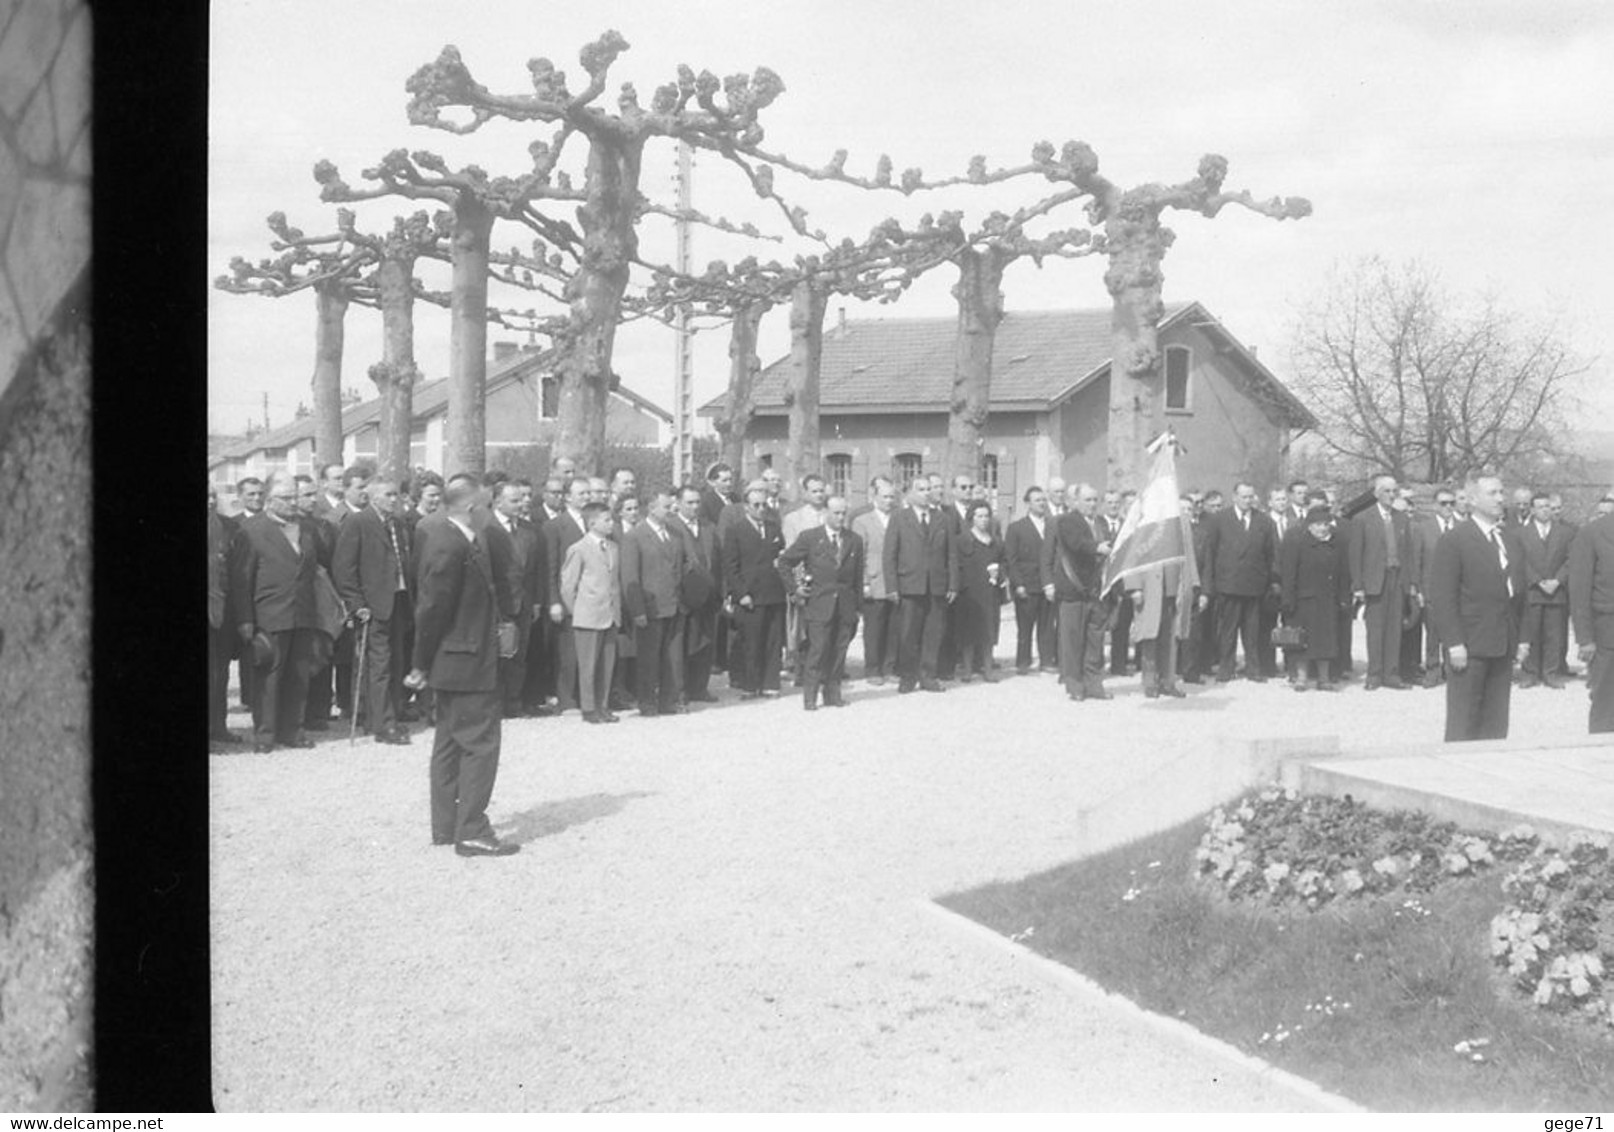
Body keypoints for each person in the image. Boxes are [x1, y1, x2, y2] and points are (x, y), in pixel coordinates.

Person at [405, 476, 517, 857]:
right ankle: (470, 829)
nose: (491, 513)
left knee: (451, 744)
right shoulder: (449, 546)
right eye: (487, 506)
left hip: (458, 660)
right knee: (480, 745)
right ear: (472, 509)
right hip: (465, 662)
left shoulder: (462, 541)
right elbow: (431, 610)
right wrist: (419, 664)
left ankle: (448, 826)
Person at [1426, 474, 1529, 742]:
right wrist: (1454, 643)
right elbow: (1443, 596)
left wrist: (1523, 638)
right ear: (1472, 499)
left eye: (1501, 492)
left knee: (1496, 720)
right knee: (1465, 718)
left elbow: (1520, 594)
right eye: (1493, 493)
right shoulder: (1455, 539)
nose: (1500, 498)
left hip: (1503, 642)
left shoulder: (1510, 538)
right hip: (1470, 645)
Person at [228, 472, 325, 753]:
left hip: (303, 613)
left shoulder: (305, 528)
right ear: (270, 500)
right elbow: (241, 579)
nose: (294, 502)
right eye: (287, 498)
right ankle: (265, 735)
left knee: (298, 674)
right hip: (269, 614)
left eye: (295, 496)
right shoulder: (251, 530)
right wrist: (246, 619)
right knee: (269, 677)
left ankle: (293, 731)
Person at [333, 476, 415, 746]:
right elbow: (344, 569)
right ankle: (383, 724)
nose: (395, 499)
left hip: (399, 601)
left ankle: (386, 714)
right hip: (373, 606)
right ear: (373, 497)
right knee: (378, 665)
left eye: (397, 494)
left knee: (395, 662)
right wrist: (357, 604)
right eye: (389, 494)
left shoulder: (398, 523)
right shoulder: (358, 522)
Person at [776, 495, 864, 709]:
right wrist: (795, 589)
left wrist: (858, 608)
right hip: (819, 604)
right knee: (817, 651)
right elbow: (785, 562)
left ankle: (833, 694)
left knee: (839, 650)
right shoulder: (811, 537)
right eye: (836, 513)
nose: (841, 517)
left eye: (844, 513)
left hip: (845, 605)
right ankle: (810, 696)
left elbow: (857, 577)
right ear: (825, 513)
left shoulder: (854, 540)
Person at [884, 475, 957, 693]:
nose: (926, 493)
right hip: (909, 585)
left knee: (933, 633)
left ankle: (928, 675)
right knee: (908, 633)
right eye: (921, 489)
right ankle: (908, 676)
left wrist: (952, 584)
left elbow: (951, 555)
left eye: (928, 489)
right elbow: (890, 554)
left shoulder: (942, 519)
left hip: (936, 586)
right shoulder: (899, 518)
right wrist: (892, 587)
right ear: (911, 493)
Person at [1201, 482, 1278, 683]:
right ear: (1234, 497)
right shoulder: (1220, 520)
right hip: (1228, 585)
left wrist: (1272, 581)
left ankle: (1253, 669)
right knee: (1228, 630)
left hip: (1255, 586)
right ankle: (1226, 668)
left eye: (1251, 497)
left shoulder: (1265, 521)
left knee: (1252, 631)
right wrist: (1211, 584)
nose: (1248, 500)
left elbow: (1271, 554)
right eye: (1244, 497)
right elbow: (1211, 552)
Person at [622, 487, 688, 716]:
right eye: (666, 506)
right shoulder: (635, 537)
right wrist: (637, 610)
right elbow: (630, 576)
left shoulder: (675, 534)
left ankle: (669, 701)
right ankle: (647, 702)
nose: (671, 510)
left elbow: (680, 568)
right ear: (651, 508)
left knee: (673, 657)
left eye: (672, 506)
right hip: (650, 608)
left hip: (674, 605)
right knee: (649, 658)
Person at [1043, 483, 1111, 701]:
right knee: (1072, 641)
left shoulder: (1101, 522)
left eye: (1095, 500)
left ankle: (1094, 685)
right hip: (1073, 590)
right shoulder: (1067, 521)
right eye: (1088, 500)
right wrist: (1097, 547)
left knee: (1095, 641)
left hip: (1095, 591)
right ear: (1077, 502)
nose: (1092, 504)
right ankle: (1075, 686)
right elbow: (1076, 543)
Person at [1124, 498, 1196, 699]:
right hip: (1150, 589)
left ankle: (1168, 680)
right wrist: (1134, 587)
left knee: (1171, 638)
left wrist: (1193, 584)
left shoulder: (1181, 522)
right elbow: (1132, 556)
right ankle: (1149, 681)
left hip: (1176, 589)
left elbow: (1189, 554)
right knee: (1150, 637)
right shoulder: (1144, 522)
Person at [1348, 475, 1414, 690]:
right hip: (1375, 579)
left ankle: (1391, 674)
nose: (1391, 495)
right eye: (1386, 491)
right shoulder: (1362, 519)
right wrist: (1358, 585)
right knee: (1375, 629)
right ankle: (1374, 674)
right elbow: (1356, 555)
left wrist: (1410, 582)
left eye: (1394, 491)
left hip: (1397, 578)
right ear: (1376, 493)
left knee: (1395, 628)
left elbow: (1408, 553)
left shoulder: (1402, 518)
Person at [722, 483, 787, 698]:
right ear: (746, 507)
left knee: (773, 640)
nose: (761, 509)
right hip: (750, 596)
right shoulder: (736, 531)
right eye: (756, 505)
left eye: (764, 505)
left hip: (774, 593)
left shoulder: (773, 527)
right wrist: (741, 594)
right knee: (751, 641)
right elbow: (731, 566)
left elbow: (782, 557)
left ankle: (770, 683)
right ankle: (750, 684)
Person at [1279, 504, 1353, 691]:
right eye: (1318, 524)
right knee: (1302, 641)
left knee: (1326, 641)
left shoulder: (1336, 544)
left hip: (1328, 600)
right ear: (1309, 526)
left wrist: (1345, 598)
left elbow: (1344, 574)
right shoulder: (1297, 543)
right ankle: (1301, 678)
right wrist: (1287, 600)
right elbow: (1289, 573)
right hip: (1303, 600)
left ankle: (1324, 678)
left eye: (1326, 524)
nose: (1323, 528)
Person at [560, 502, 623, 724]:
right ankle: (588, 707)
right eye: (606, 520)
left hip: (610, 614)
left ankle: (602, 705)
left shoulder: (614, 547)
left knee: (607, 664)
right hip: (588, 616)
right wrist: (578, 611)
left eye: (611, 519)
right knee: (588, 665)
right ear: (592, 522)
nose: (611, 524)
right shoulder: (578, 548)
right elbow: (568, 586)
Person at [483, 480, 539, 717]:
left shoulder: (529, 530)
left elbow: (535, 570)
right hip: (497, 604)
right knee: (497, 656)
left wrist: (536, 601)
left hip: (523, 602)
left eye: (521, 500)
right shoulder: (486, 528)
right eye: (514, 501)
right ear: (497, 501)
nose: (520, 504)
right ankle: (493, 704)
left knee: (519, 655)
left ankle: (512, 703)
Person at [668, 484, 722, 703]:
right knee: (682, 646)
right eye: (689, 503)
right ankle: (680, 690)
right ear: (679, 504)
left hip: (708, 596)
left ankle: (700, 687)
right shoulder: (672, 527)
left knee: (706, 642)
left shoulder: (709, 527)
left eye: (697, 502)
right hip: (684, 597)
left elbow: (717, 560)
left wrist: (720, 592)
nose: (694, 507)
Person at [541, 477, 591, 713]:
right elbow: (551, 567)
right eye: (581, 494)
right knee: (567, 652)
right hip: (567, 597)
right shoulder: (555, 526)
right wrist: (554, 601)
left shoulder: (594, 523)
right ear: (568, 497)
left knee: (586, 650)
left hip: (591, 597)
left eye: (588, 494)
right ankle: (566, 698)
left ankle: (585, 696)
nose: (586, 498)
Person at [1517, 491, 1573, 689]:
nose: (1545, 510)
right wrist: (1537, 581)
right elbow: (1520, 560)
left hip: (1556, 591)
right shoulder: (1521, 533)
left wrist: (1558, 581)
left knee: (1554, 635)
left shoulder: (1565, 532)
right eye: (1540, 507)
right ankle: (1530, 672)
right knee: (1530, 633)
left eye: (1548, 506)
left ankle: (1551, 673)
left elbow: (1570, 559)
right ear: (1532, 510)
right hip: (1532, 591)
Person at [1568, 495, 1614, 732]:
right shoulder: (1593, 534)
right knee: (1607, 704)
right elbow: (1579, 589)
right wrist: (1585, 638)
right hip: (1607, 635)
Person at [781, 475, 830, 685]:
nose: (819, 495)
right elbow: (790, 554)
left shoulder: (832, 515)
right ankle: (801, 669)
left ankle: (826, 669)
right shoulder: (794, 519)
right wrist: (797, 584)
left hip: (828, 580)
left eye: (821, 491)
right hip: (805, 578)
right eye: (814, 491)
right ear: (805, 493)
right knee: (801, 627)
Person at [1005, 486, 1057, 675]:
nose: (1041, 503)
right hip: (1027, 584)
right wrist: (1018, 584)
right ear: (1028, 503)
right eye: (1037, 500)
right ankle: (1023, 662)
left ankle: (1046, 660)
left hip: (1048, 584)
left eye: (1043, 500)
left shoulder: (1053, 525)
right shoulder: (1016, 528)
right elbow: (1010, 560)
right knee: (1025, 626)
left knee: (1047, 626)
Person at [953, 500, 1006, 682]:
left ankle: (988, 668)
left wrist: (999, 575)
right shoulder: (962, 541)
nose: (983, 520)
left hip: (990, 592)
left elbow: (1003, 564)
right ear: (972, 518)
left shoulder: (996, 543)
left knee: (989, 631)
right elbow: (957, 566)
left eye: (986, 516)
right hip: (969, 592)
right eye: (979, 516)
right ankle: (967, 669)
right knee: (969, 631)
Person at [852, 476, 898, 683]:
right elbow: (858, 555)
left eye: (892, 496)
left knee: (893, 627)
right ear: (874, 496)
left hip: (895, 582)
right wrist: (863, 582)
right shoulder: (862, 521)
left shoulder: (899, 518)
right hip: (874, 580)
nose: (889, 501)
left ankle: (889, 667)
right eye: (885, 496)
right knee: (874, 628)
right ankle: (872, 669)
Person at [208, 485, 240, 744]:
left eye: (213, 497)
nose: (209, 501)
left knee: (220, 671)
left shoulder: (229, 526)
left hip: (224, 608)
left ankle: (218, 727)